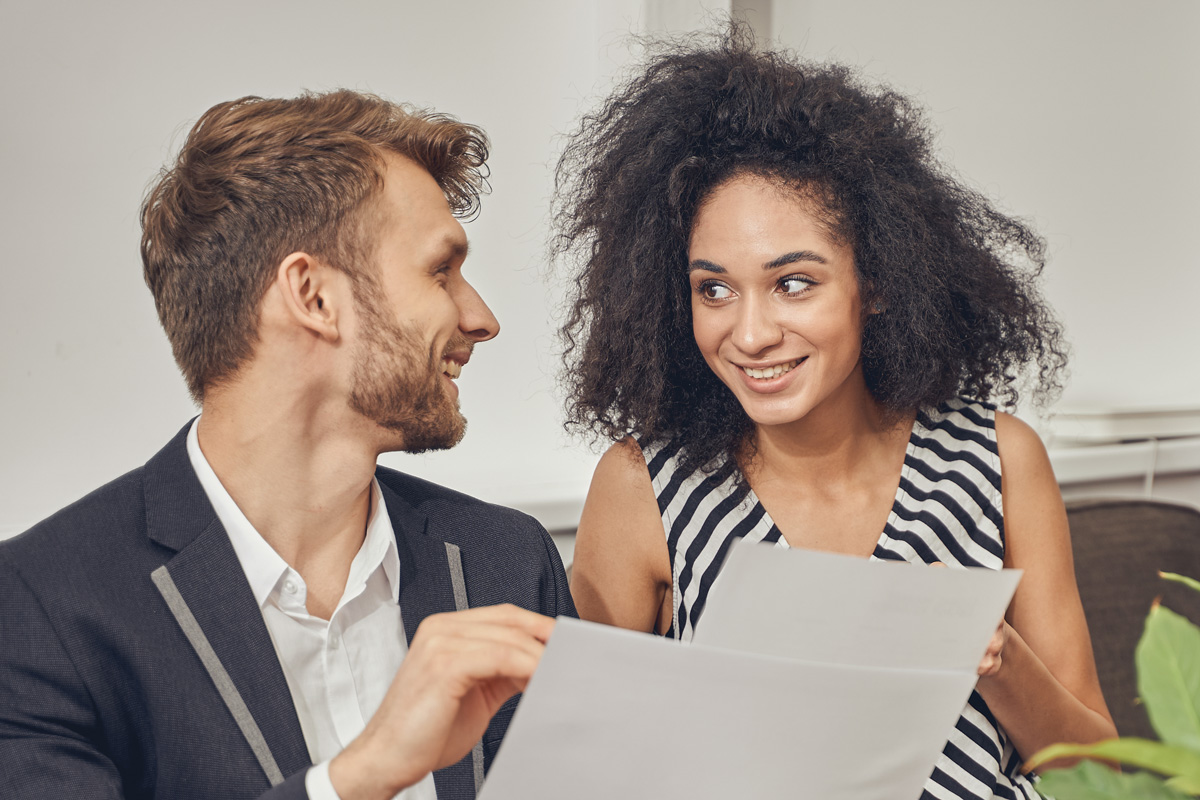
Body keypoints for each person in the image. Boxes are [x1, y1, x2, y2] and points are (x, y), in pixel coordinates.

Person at [558, 32, 1116, 800]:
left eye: (793, 284)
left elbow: (1107, 777)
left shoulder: (998, 458)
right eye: (713, 289)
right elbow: (581, 769)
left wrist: (997, 658)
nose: (749, 333)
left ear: (879, 282)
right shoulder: (642, 488)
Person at [0, 90, 575, 800]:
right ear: (313, 295)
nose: (479, 317)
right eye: (439, 270)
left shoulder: (508, 562)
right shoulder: (38, 608)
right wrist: (359, 779)